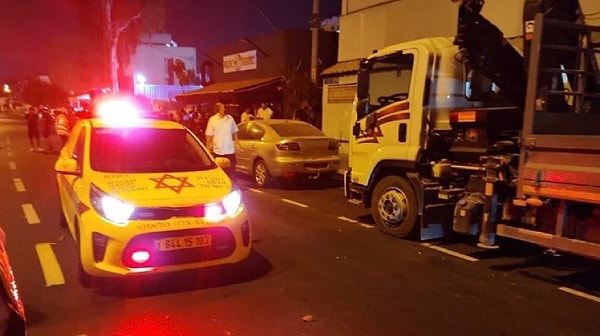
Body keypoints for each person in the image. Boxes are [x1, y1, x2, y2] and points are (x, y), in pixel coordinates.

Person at [205, 102, 240, 179]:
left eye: (224, 107)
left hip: (230, 151)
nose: (224, 109)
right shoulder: (213, 120)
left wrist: (238, 144)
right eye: (222, 107)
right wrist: (208, 149)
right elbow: (209, 135)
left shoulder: (230, 119)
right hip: (218, 152)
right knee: (220, 174)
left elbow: (235, 132)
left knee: (232, 174)